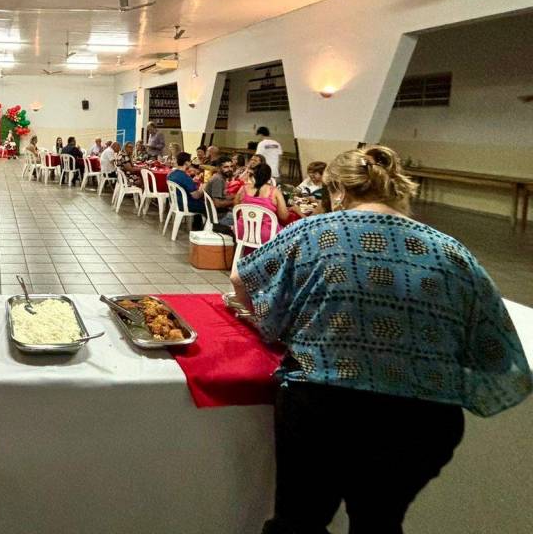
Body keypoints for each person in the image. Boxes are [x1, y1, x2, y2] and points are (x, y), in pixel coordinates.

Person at [230, 145, 532, 534]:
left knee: (299, 521)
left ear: (338, 190)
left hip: (324, 407)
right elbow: (492, 343)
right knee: (380, 523)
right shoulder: (450, 251)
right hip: (422, 419)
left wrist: (272, 322)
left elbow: (242, 278)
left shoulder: (314, 232)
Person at [234, 162, 286, 244]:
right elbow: (284, 216)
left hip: (242, 232)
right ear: (269, 177)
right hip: (266, 235)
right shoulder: (275, 192)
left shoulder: (243, 189)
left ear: (254, 175)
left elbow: (236, 210)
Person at [189, 155, 236, 223]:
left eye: (231, 166)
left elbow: (221, 197)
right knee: (244, 220)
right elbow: (217, 203)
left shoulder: (220, 177)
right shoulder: (218, 180)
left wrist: (234, 197)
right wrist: (234, 201)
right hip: (219, 216)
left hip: (217, 213)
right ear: (218, 168)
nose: (230, 169)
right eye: (226, 167)